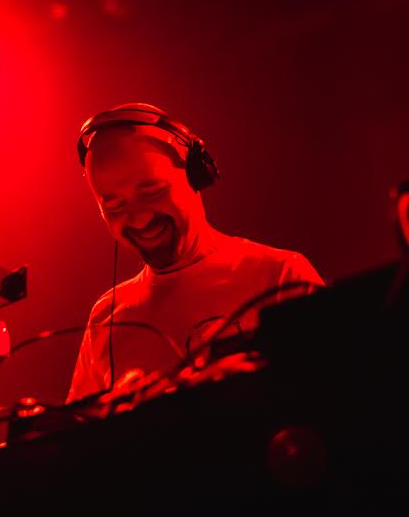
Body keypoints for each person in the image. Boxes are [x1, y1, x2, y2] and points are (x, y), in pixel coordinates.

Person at [66, 103, 325, 403]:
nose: (138, 219)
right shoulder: (106, 317)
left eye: (152, 192)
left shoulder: (280, 276)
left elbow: (342, 393)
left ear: (196, 174)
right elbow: (79, 429)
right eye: (114, 207)